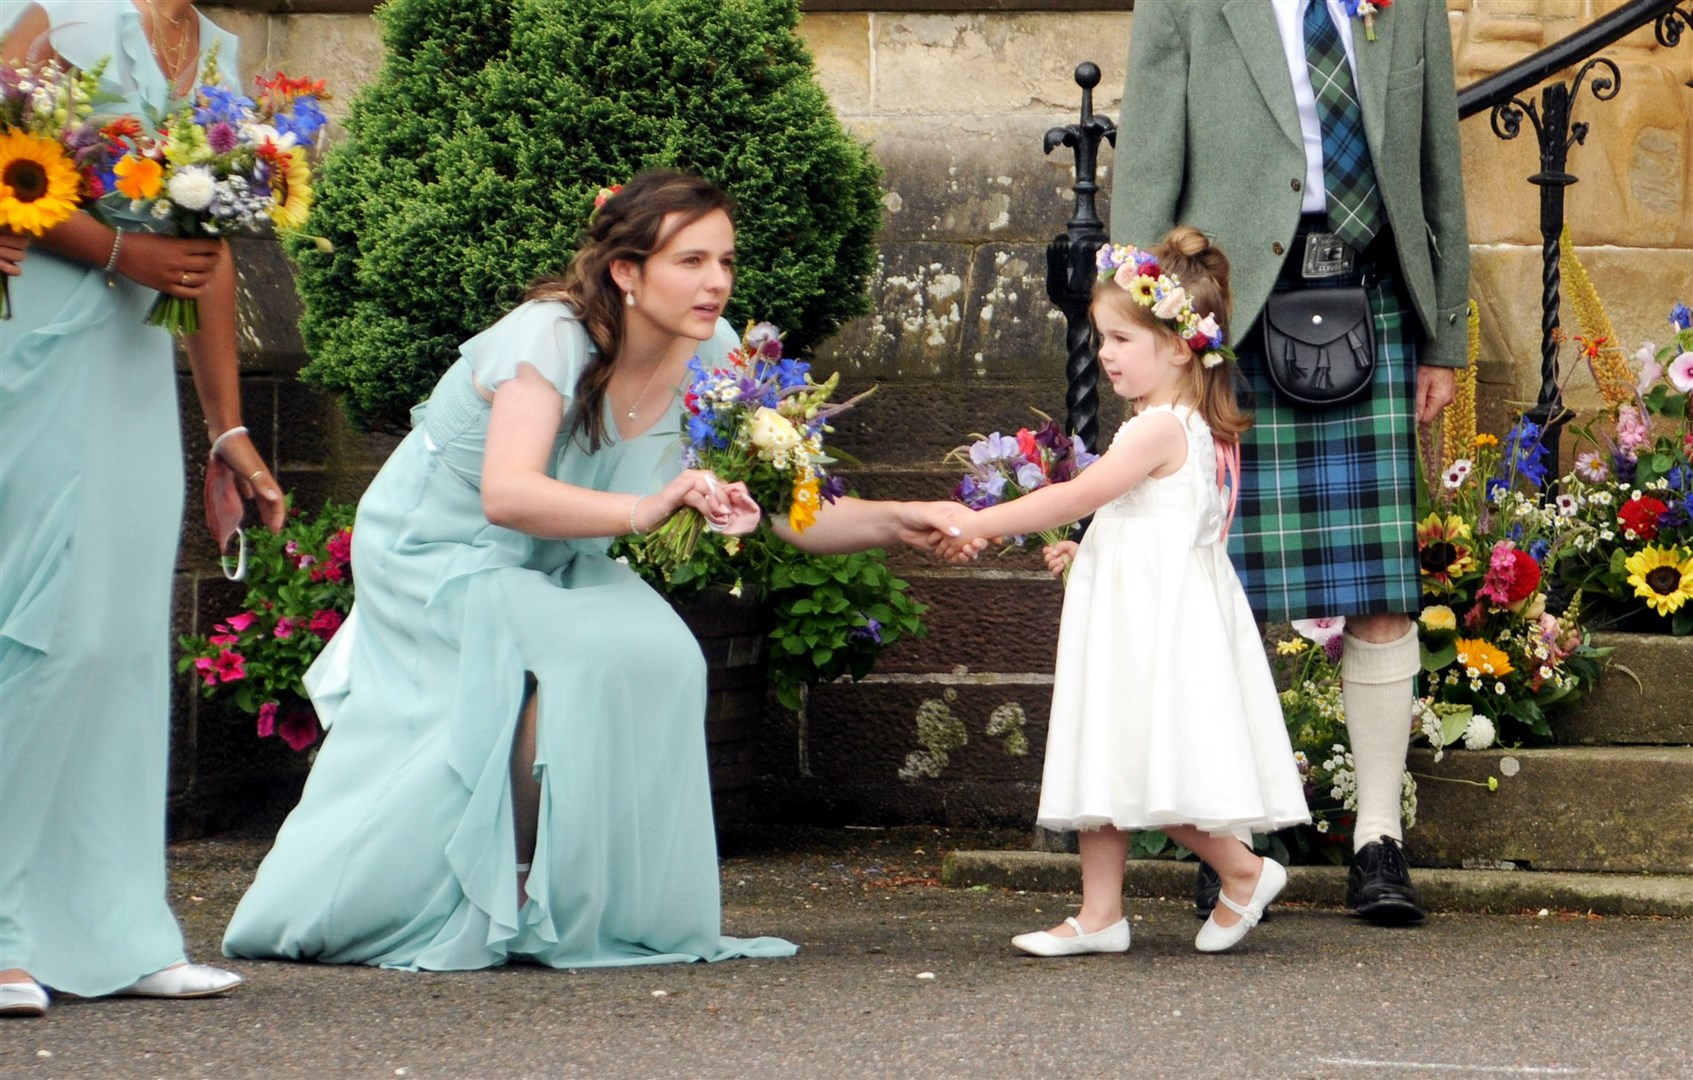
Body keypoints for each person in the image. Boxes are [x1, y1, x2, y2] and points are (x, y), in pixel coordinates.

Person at [222, 170, 964, 971]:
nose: (715, 281)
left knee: (664, 655)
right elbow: (506, 494)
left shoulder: (714, 356)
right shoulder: (550, 336)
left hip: (560, 553)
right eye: (690, 261)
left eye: (725, 261)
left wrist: (900, 521)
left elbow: (787, 508)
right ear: (626, 272)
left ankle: (573, 897)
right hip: (436, 549)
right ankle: (489, 887)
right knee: (583, 655)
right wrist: (645, 511)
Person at [1110, 0, 1470, 924]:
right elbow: (1147, 167)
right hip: (1228, 316)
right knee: (1224, 586)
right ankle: (1236, 834)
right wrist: (1142, 332)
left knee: (1382, 589)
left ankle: (1376, 842)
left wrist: (1444, 337)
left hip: (1372, 295)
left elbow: (1438, 172)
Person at [0, 0, 283, 1019]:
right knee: (45, 632)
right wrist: (120, 255)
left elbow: (204, 253)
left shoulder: (220, 54)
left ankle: (116, 930)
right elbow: (0, 167)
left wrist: (226, 429)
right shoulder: (51, 15)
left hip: (127, 365)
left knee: (121, 641)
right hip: (32, 349)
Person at [939, 228, 1311, 955]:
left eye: (1118, 337)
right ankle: (1100, 912)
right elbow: (1138, 520)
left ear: (1177, 346)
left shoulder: (1159, 429)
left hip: (1152, 623)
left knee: (1137, 757)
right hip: (1132, 607)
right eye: (1099, 337)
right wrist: (1089, 550)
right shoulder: (1168, 423)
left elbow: (1080, 492)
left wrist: (982, 522)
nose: (1102, 352)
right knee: (1104, 750)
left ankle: (1241, 870)